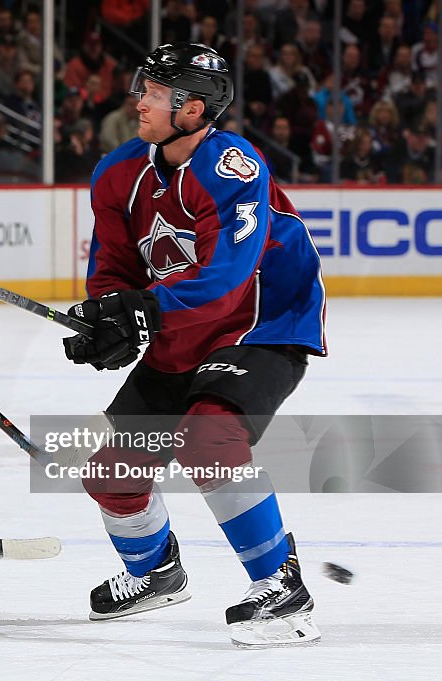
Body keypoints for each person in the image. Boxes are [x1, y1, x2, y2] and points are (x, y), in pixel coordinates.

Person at [62, 43, 326, 648]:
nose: (139, 102)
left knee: (209, 440)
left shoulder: (234, 166)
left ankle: (282, 588)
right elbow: (114, 268)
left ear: (192, 108)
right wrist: (105, 319)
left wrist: (144, 311)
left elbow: (226, 278)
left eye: (154, 93)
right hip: (182, 325)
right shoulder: (118, 172)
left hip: (259, 321)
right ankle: (154, 570)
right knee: (112, 475)